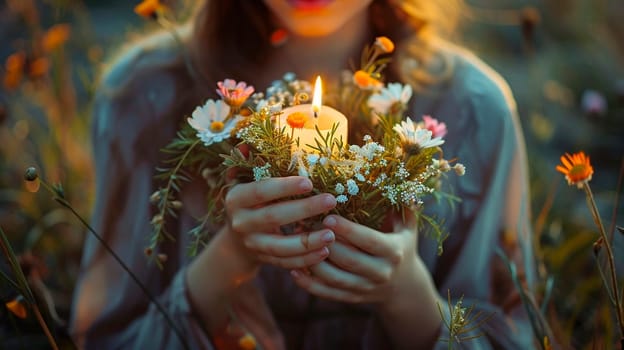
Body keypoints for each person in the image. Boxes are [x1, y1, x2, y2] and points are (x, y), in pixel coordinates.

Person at [70, 0, 536, 349]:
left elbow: (515, 332)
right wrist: (224, 264)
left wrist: (409, 297)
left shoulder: (474, 112)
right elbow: (101, 336)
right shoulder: (143, 96)